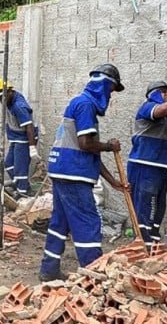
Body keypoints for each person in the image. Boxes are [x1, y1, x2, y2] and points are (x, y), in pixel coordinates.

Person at [39, 64, 129, 281]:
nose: (110, 96)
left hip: (63, 171)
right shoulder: (86, 105)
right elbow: (86, 144)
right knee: (88, 222)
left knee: (60, 222)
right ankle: (94, 275)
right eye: (111, 91)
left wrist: (113, 181)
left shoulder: (79, 103)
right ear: (104, 86)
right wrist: (109, 145)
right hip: (73, 174)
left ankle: (49, 271)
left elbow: (91, 155)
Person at [128, 80, 167, 244]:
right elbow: (163, 109)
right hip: (145, 164)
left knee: (158, 206)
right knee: (145, 205)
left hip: (160, 166)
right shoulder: (148, 107)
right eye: (163, 92)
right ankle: (143, 243)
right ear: (154, 94)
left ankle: (154, 240)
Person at [0, 79, 38, 198]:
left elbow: (29, 127)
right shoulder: (8, 100)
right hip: (15, 137)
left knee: (20, 169)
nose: (1, 101)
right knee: (8, 164)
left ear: (10, 92)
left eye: (3, 97)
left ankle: (22, 193)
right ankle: (22, 185)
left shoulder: (19, 106)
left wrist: (32, 147)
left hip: (25, 138)